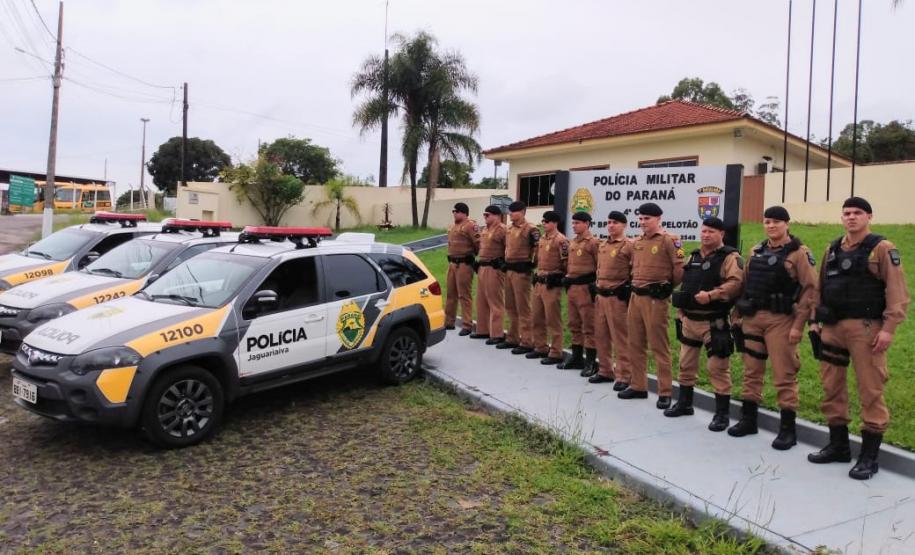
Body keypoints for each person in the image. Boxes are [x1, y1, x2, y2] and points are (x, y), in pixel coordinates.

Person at [807, 197, 909, 480]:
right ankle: (839, 445)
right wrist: (815, 320)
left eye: (857, 213)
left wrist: (888, 329)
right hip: (832, 327)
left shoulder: (882, 248)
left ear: (869, 217)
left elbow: (897, 292)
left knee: (870, 389)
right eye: (847, 213)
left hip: (866, 330)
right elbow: (819, 287)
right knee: (831, 385)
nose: (851, 217)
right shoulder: (832, 248)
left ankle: (869, 456)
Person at [727, 206, 818, 450]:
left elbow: (810, 290)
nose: (771, 226)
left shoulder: (799, 253)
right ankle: (749, 420)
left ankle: (788, 430)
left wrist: (799, 325)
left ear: (787, 224)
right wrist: (737, 314)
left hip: (782, 320)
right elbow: (746, 284)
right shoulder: (757, 250)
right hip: (754, 318)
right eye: (767, 221)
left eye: (776, 222)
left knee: (784, 375)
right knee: (751, 371)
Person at [666, 217, 744, 431]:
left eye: (711, 231)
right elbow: (688, 283)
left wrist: (712, 295)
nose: (706, 235)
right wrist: (681, 307)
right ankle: (684, 403)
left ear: (721, 234)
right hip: (690, 319)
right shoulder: (693, 256)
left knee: (718, 368)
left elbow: (735, 284)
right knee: (685, 364)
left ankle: (722, 414)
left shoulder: (730, 257)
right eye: (704, 231)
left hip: (714, 321)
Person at [619, 202, 685, 409]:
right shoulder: (636, 241)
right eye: (640, 218)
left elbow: (679, 268)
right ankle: (638, 385)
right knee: (635, 343)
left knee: (659, 346)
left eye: (647, 218)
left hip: (655, 299)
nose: (642, 222)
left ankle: (665, 391)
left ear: (658, 219)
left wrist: (668, 287)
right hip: (636, 298)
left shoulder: (669, 240)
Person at [589, 211, 633, 388]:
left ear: (624, 225)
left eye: (615, 222)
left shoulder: (629, 245)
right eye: (609, 222)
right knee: (601, 335)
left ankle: (624, 375)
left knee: (620, 337)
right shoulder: (602, 245)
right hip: (601, 295)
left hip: (617, 298)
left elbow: (635, 270)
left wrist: (628, 289)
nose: (611, 225)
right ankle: (605, 370)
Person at [497, 200, 541, 354]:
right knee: (510, 306)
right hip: (509, 271)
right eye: (510, 211)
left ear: (522, 212)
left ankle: (527, 341)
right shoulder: (509, 229)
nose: (510, 214)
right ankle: (512, 337)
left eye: (513, 211)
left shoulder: (531, 229)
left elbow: (538, 249)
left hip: (522, 272)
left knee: (523, 307)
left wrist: (531, 265)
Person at [560, 212, 600, 374]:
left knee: (589, 325)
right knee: (574, 323)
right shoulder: (572, 242)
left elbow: (600, 266)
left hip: (585, 288)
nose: (574, 225)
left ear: (587, 224)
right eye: (573, 222)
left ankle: (591, 361)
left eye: (577, 223)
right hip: (572, 288)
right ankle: (577, 357)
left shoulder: (593, 243)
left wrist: (594, 285)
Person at [527, 211, 568, 364]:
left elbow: (566, 263)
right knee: (536, 317)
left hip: (552, 284)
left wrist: (558, 277)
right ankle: (540, 347)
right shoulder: (542, 239)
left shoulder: (561, 240)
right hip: (539, 282)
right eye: (543, 221)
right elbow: (537, 260)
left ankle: (556, 352)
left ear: (555, 223)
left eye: (547, 221)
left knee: (553, 319)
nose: (544, 224)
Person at [473, 205, 508, 345]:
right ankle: (482, 330)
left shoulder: (503, 230)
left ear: (496, 216)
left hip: (494, 268)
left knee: (495, 301)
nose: (485, 217)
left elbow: (509, 248)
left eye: (487, 215)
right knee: (481, 301)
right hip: (482, 267)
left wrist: (503, 263)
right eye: (484, 215)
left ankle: (497, 333)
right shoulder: (485, 229)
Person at [444, 202, 480, 335]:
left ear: (464, 213)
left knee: (464, 295)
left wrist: (472, 256)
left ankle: (467, 324)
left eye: (456, 211)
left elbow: (478, 243)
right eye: (453, 211)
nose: (454, 213)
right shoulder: (453, 226)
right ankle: (449, 321)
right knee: (450, 294)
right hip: (452, 264)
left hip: (464, 264)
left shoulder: (471, 225)